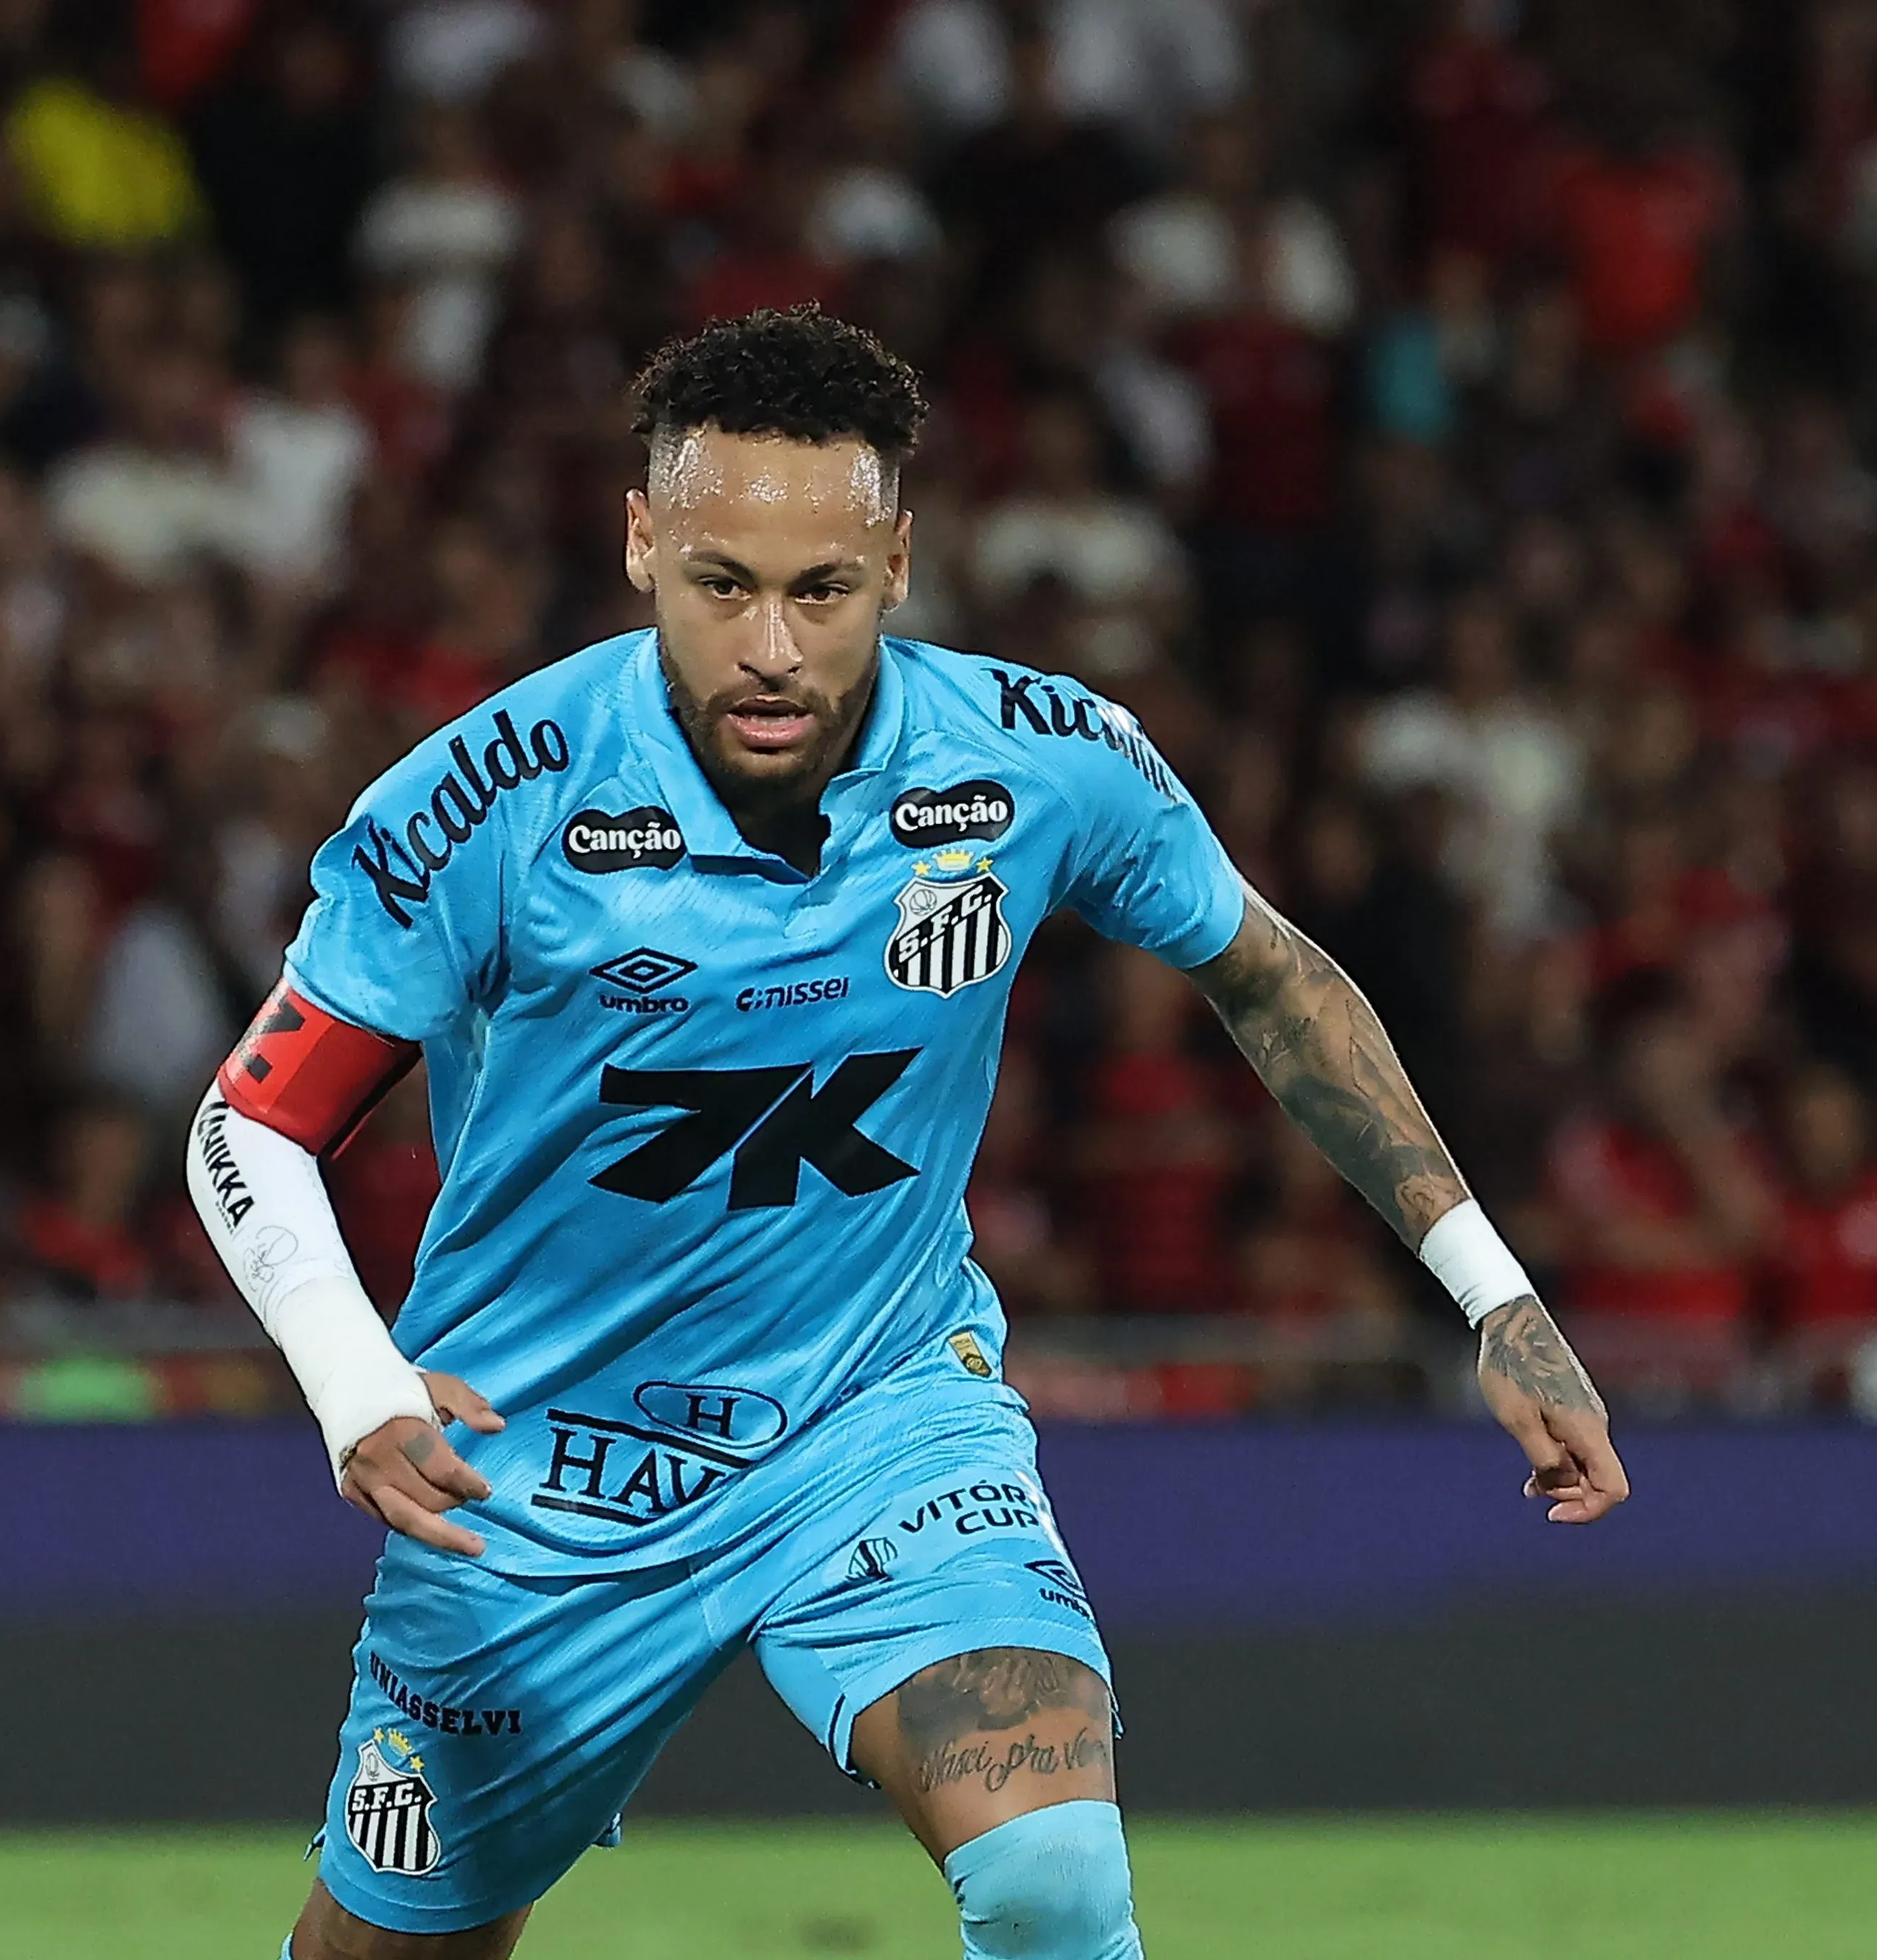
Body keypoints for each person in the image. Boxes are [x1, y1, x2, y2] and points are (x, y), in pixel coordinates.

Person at [185, 305, 1624, 1960]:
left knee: (1054, 1879)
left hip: (877, 1424)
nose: (771, 648)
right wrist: (354, 1380)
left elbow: (1276, 983)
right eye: (720, 585)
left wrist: (1494, 1296)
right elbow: (246, 1127)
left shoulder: (1036, 761)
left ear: (900, 562)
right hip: (531, 1473)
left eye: (822, 590)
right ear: (640, 542)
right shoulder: (487, 800)